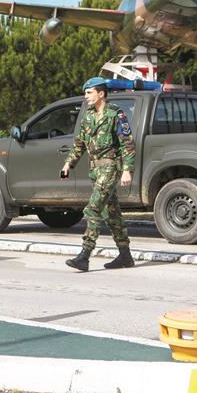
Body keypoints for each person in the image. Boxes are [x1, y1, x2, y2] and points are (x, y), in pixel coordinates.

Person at [60, 77, 136, 272]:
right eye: (85, 93)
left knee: (93, 208)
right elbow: (79, 146)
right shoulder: (88, 117)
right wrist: (68, 164)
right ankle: (126, 256)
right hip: (95, 171)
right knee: (112, 213)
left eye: (89, 92)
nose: (86, 96)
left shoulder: (115, 114)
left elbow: (127, 144)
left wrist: (127, 170)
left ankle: (84, 256)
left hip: (111, 168)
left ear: (101, 94)